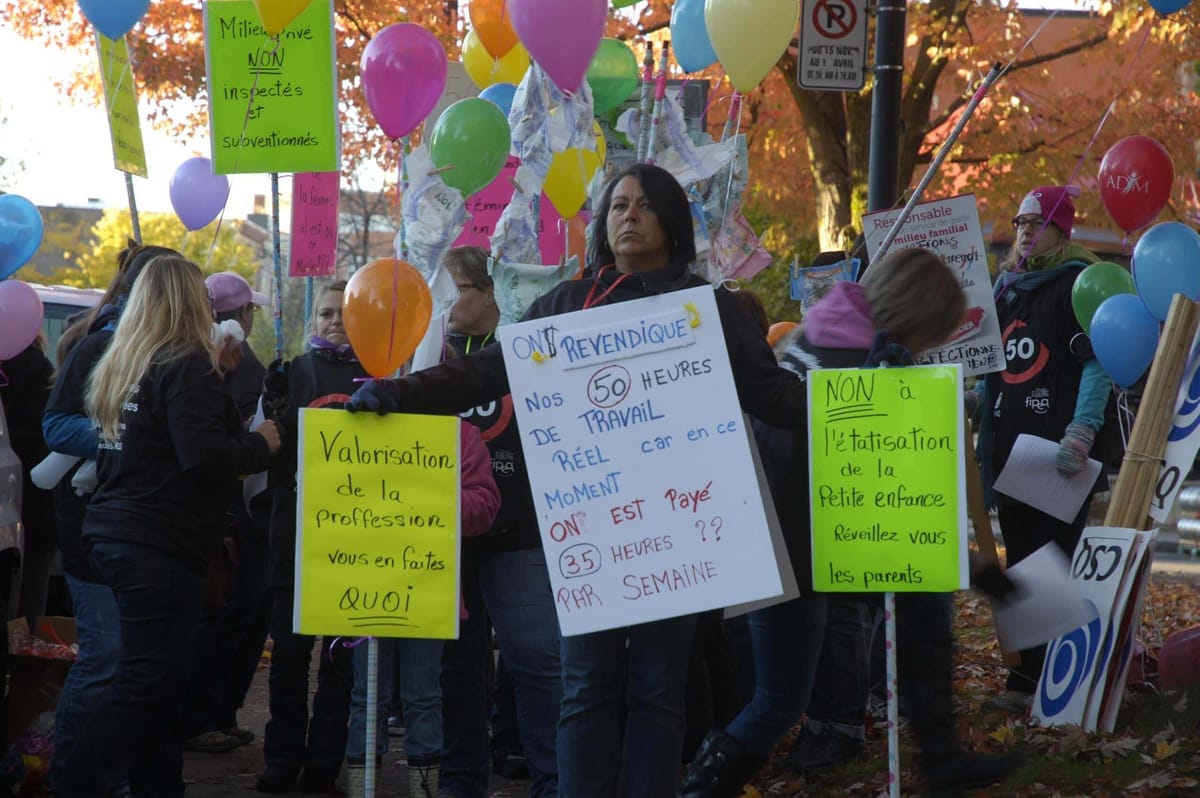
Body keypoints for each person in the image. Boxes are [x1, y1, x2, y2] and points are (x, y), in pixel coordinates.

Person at [349, 164, 811, 796]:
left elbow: (775, 396)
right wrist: (397, 393)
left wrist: (874, 399)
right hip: (590, 535)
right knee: (585, 686)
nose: (629, 215)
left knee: (657, 692)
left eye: (645, 205)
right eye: (618, 204)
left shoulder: (713, 311)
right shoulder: (566, 305)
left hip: (679, 532)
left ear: (672, 222)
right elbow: (484, 373)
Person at [678, 248, 1020, 797]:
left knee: (783, 695)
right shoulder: (869, 366)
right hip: (806, 543)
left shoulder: (823, 333)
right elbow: (892, 498)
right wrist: (972, 567)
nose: (932, 346)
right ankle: (939, 756)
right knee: (781, 698)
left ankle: (942, 755)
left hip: (781, 536)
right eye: (934, 332)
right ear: (917, 317)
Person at [51, 254, 280, 797]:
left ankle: (156, 785)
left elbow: (158, 441)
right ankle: (78, 783)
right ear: (188, 301)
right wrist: (261, 445)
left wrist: (219, 377)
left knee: (158, 682)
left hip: (119, 533)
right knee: (145, 681)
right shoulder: (184, 362)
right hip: (156, 543)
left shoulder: (130, 361)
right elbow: (202, 456)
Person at [44, 242, 180, 792]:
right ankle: (72, 778)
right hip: (89, 525)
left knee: (129, 665)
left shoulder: (174, 355)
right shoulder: (96, 343)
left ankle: (112, 775)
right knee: (106, 657)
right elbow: (58, 426)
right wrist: (122, 439)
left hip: (143, 532)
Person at [974, 184, 1109, 712]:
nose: (1026, 232)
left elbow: (1097, 362)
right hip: (1009, 452)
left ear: (1061, 230)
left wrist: (1082, 429)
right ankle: (1029, 679)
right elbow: (996, 365)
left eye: (1037, 223)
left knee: (1054, 561)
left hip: (1057, 453)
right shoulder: (1006, 288)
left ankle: (1058, 681)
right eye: (1021, 222)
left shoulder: (1077, 285)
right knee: (1024, 560)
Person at [435, 246, 562, 798]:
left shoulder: (525, 350)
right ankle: (462, 782)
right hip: (450, 536)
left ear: (490, 293)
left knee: (536, 664)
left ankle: (555, 781)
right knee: (458, 667)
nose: (445, 303)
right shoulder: (429, 352)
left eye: (457, 290)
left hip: (519, 534)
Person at [344, 410, 500, 798]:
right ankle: (361, 788)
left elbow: (484, 506)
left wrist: (433, 494)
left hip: (428, 588)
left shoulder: (460, 434)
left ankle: (424, 791)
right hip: (366, 584)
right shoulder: (358, 432)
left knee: (424, 697)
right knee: (366, 698)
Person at [257, 280, 359, 793]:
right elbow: (267, 447)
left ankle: (324, 763)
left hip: (354, 545)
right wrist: (270, 401)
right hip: (295, 537)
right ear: (312, 320)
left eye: (344, 312)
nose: (335, 321)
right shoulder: (293, 372)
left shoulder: (383, 375)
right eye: (325, 313)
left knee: (340, 663)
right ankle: (281, 758)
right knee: (290, 658)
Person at [182, 271, 272, 753]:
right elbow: (225, 443)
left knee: (241, 619)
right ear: (243, 316)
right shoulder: (225, 366)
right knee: (227, 618)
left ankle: (220, 712)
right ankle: (202, 717)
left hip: (233, 514)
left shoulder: (200, 360)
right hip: (234, 517)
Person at [0, 338, 56, 623]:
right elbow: (45, 435)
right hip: (31, 502)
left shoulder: (35, 368)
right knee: (27, 606)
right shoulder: (39, 368)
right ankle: (23, 659)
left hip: (26, 501)